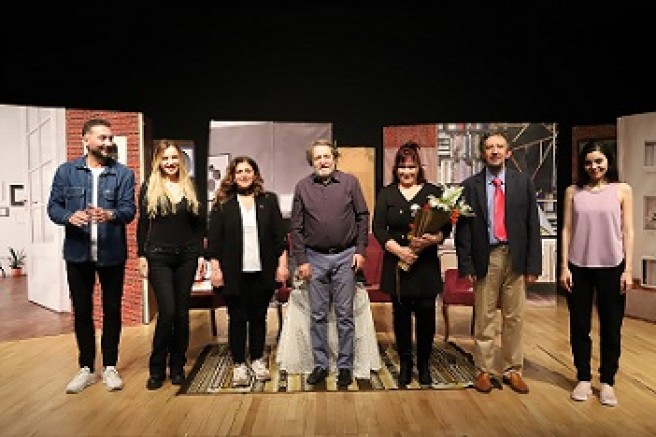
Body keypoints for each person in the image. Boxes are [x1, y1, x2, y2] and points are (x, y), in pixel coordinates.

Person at [47, 118, 136, 393]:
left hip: (112, 254)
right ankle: (86, 368)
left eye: (110, 138)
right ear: (85, 140)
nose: (108, 143)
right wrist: (68, 216)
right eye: (102, 138)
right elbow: (53, 207)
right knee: (82, 311)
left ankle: (110, 367)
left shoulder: (123, 174)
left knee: (112, 310)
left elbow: (129, 211)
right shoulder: (66, 172)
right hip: (77, 255)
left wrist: (110, 214)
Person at [455, 129, 541, 394]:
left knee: (515, 317)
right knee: (485, 316)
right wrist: (466, 265)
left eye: (499, 147)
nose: (494, 151)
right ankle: (484, 370)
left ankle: (513, 369)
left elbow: (532, 225)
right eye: (489, 147)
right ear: (483, 153)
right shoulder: (470, 186)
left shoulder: (523, 183)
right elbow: (463, 230)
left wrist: (533, 265)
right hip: (486, 258)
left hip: (516, 257)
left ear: (508, 152)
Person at [290, 139, 370, 388]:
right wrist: (301, 260)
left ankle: (345, 366)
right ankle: (321, 365)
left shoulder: (350, 183)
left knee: (345, 314)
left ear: (334, 158)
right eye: (318, 158)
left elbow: (362, 216)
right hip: (314, 258)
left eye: (327, 156)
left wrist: (360, 250)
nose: (323, 161)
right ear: (311, 162)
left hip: (346, 256)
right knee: (317, 315)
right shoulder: (302, 187)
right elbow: (296, 227)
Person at [559, 141, 634, 407]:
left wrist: (628, 269)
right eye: (589, 162)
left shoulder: (622, 190)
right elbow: (566, 229)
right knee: (579, 326)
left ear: (608, 161)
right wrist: (564, 266)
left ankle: (607, 382)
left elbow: (628, 231)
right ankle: (582, 377)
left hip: (613, 266)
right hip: (578, 266)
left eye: (599, 161)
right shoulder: (573, 192)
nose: (594, 167)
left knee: (611, 327)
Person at [372, 141, 452, 387]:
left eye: (411, 167)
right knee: (401, 317)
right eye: (402, 167)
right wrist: (400, 251)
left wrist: (433, 239)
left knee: (427, 315)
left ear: (419, 168)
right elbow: (378, 228)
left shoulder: (433, 192)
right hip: (397, 265)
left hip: (425, 265)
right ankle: (406, 365)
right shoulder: (386, 193)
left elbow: (446, 227)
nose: (406, 172)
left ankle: (424, 365)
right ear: (395, 169)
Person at [206, 156, 289, 387]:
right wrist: (216, 269)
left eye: (248, 171)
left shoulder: (268, 200)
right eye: (239, 171)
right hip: (233, 272)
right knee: (237, 318)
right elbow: (214, 241)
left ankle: (257, 360)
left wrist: (282, 266)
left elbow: (279, 238)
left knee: (259, 317)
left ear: (255, 174)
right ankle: (239, 365)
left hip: (263, 270)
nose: (244, 175)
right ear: (232, 176)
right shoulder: (222, 203)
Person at [136, 140, 206, 390]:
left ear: (181, 159)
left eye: (174, 157)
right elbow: (143, 224)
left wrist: (200, 256)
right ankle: (157, 368)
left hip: (187, 256)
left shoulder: (191, 185)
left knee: (182, 314)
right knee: (167, 312)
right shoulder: (149, 186)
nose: (170, 162)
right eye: (165, 158)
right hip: (158, 256)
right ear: (158, 161)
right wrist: (141, 256)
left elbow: (199, 226)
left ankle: (177, 366)